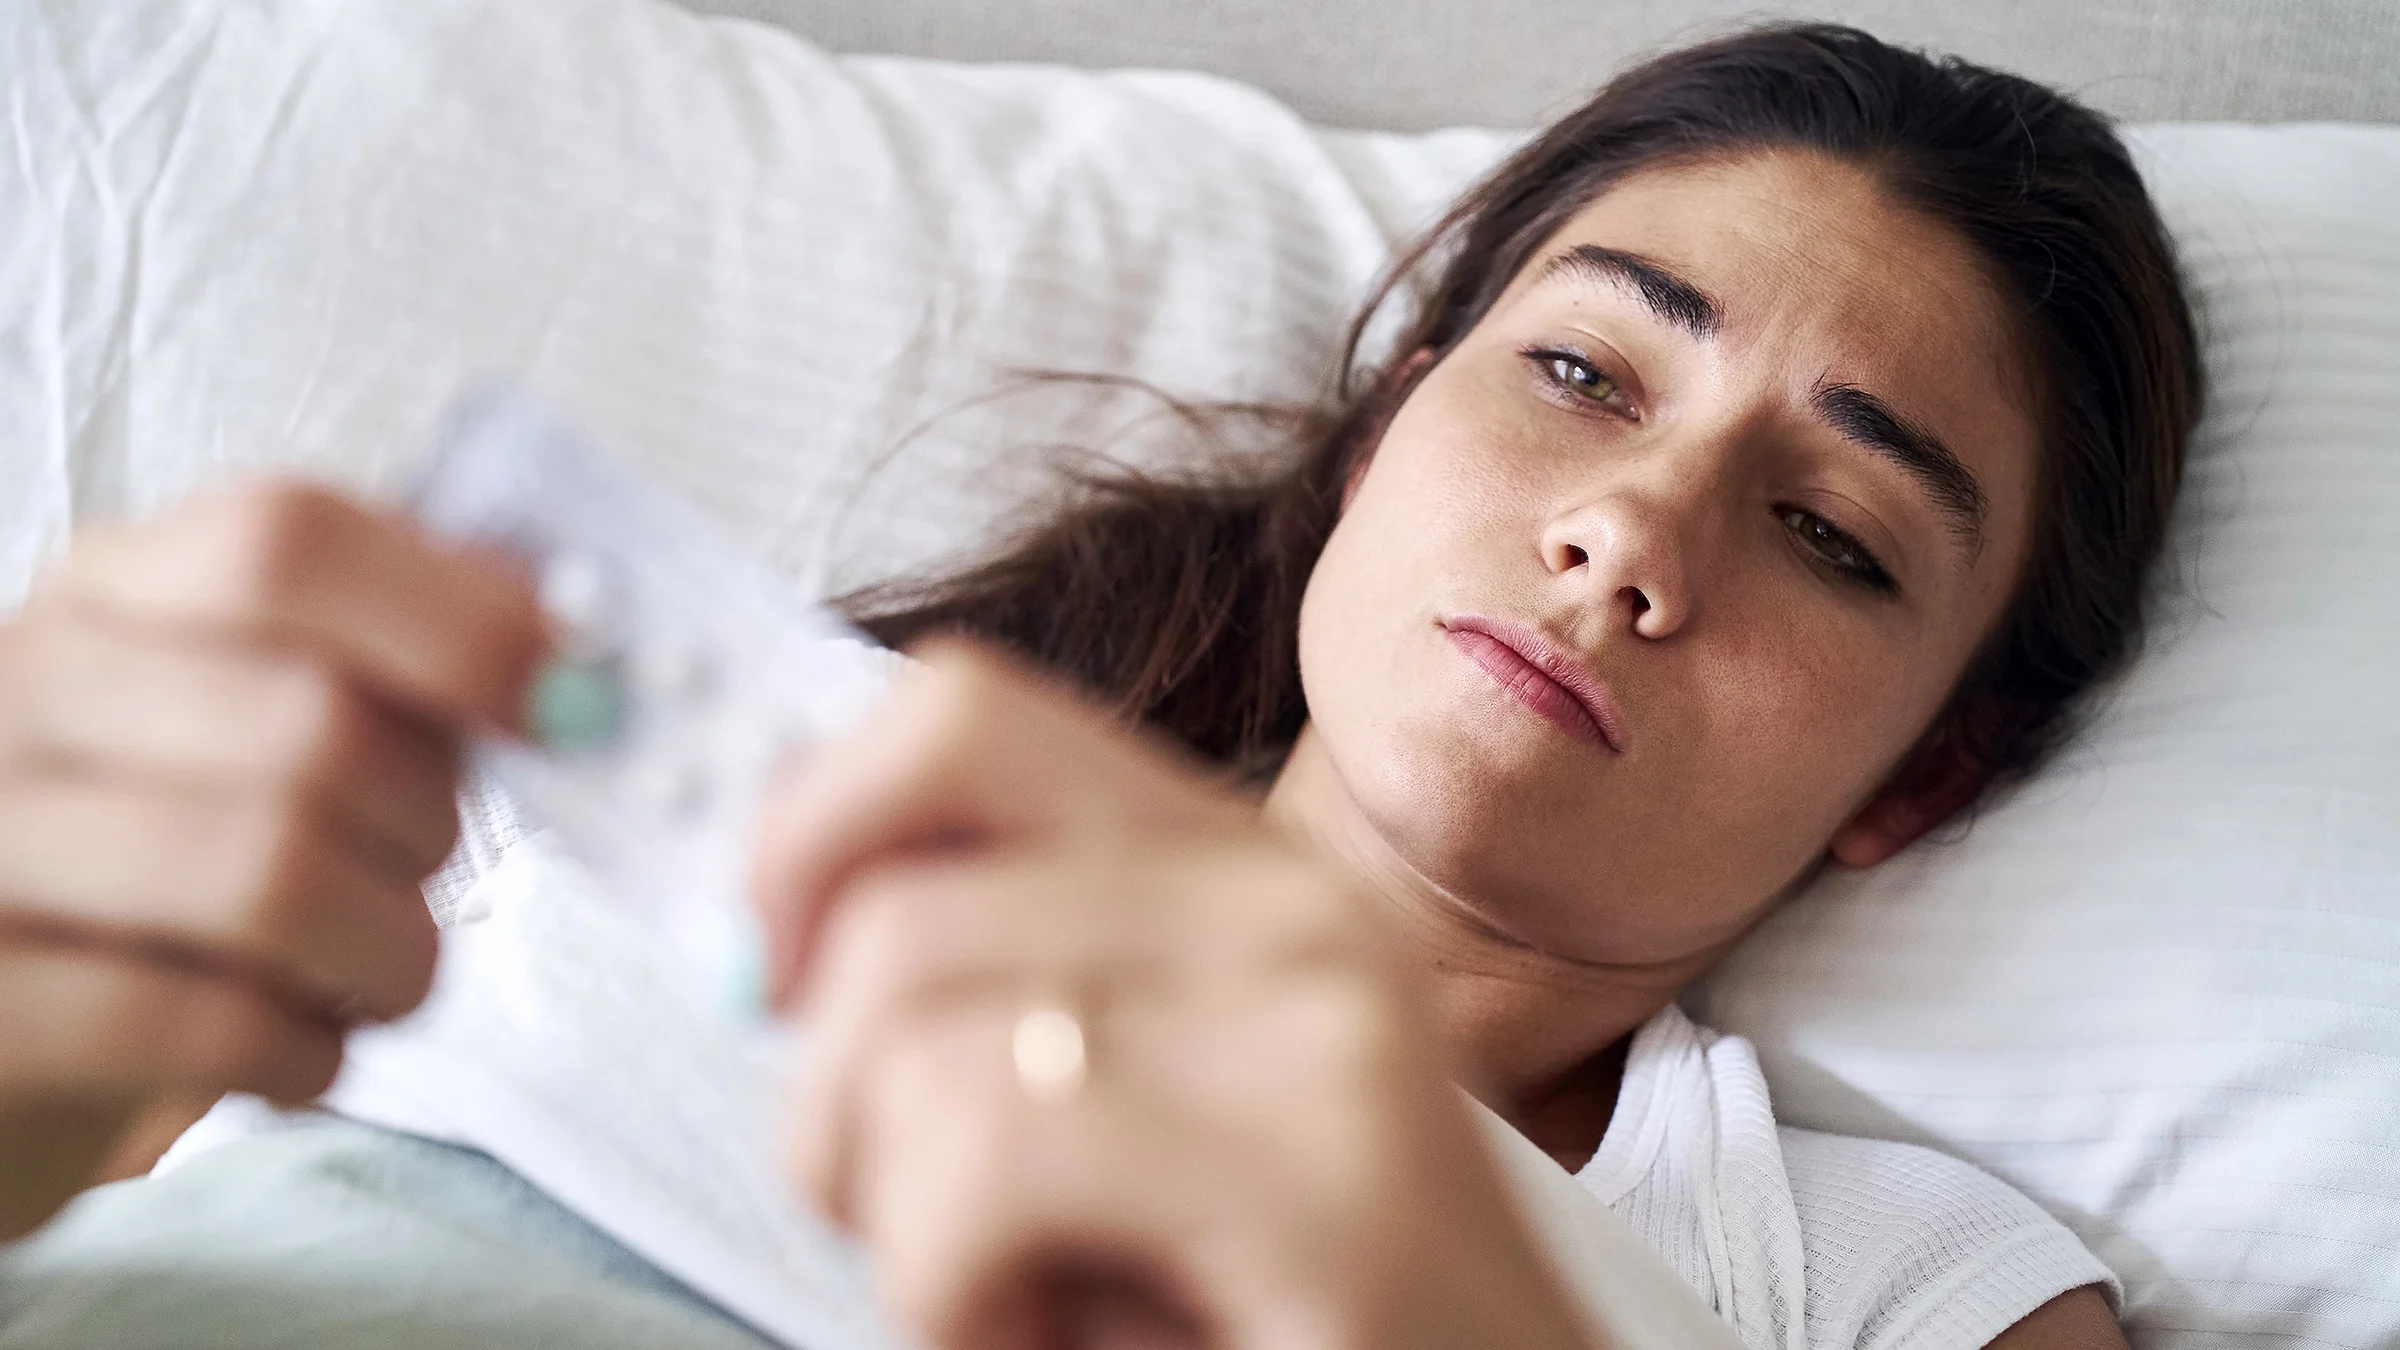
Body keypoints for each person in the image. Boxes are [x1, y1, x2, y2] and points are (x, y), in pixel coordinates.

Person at [0, 22, 2197, 1350]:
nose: (1635, 535)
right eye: (1580, 371)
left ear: (1923, 776)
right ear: (1380, 438)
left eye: (1833, 535)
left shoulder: (1887, 1281)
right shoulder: (683, 775)